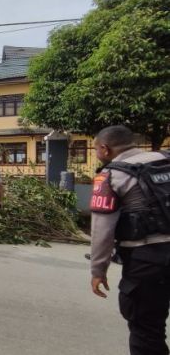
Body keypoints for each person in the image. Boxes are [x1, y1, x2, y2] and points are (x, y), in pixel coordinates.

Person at [89, 126, 170, 355]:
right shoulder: (164, 158)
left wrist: (98, 270)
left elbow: (101, 231)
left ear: (105, 149)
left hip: (147, 262)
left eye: (96, 149)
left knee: (146, 329)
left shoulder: (110, 175)